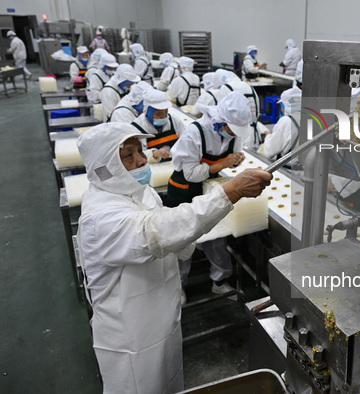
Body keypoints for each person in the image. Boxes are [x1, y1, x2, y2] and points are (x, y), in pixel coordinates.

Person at [76, 122, 271, 393]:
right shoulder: (100, 218)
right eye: (128, 156)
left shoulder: (139, 192)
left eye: (140, 151)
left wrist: (189, 238)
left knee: (170, 383)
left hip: (163, 321)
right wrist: (230, 192)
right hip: (132, 339)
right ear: (103, 167)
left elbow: (169, 234)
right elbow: (157, 232)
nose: (143, 160)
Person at [167, 92, 253, 301]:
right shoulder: (195, 133)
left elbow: (231, 154)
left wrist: (236, 159)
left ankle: (220, 281)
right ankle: (177, 286)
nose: (234, 135)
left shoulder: (234, 132)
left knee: (216, 240)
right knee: (183, 241)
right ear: (221, 122)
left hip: (209, 190)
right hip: (184, 191)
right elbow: (191, 173)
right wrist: (223, 163)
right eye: (232, 130)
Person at [131, 90, 186, 163]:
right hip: (154, 171)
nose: (163, 116)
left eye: (166, 112)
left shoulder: (174, 121)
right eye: (159, 113)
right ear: (148, 111)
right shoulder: (137, 128)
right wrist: (153, 153)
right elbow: (135, 156)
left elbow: (186, 141)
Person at [218, 78, 261, 149]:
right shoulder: (250, 88)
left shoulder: (225, 88)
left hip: (236, 135)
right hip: (253, 134)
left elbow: (221, 114)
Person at [263, 87, 301, 160]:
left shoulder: (286, 121)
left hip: (288, 168)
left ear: (286, 105)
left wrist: (268, 136)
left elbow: (269, 152)